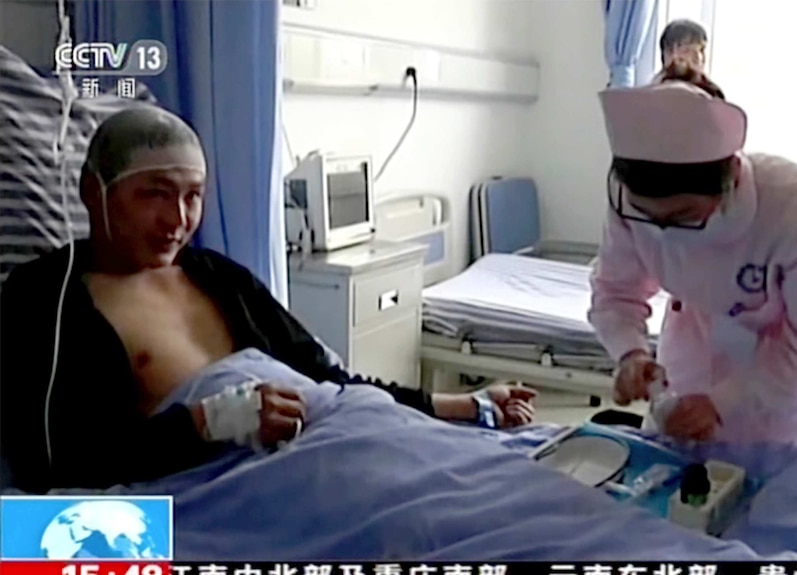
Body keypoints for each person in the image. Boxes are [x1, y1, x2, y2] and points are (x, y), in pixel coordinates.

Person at [0, 106, 536, 493]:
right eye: (155, 194)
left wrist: (464, 405)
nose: (178, 220)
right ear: (95, 192)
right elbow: (49, 468)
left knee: (491, 482)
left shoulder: (220, 278)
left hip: (341, 439)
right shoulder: (43, 300)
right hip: (227, 493)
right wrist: (206, 425)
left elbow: (327, 376)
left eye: (193, 197)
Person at [588, 62, 797, 443]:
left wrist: (723, 401)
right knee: (677, 488)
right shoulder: (628, 202)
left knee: (774, 494)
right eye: (648, 216)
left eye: (685, 216)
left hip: (786, 389)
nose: (664, 232)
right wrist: (630, 353)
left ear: (730, 181)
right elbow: (615, 291)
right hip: (690, 355)